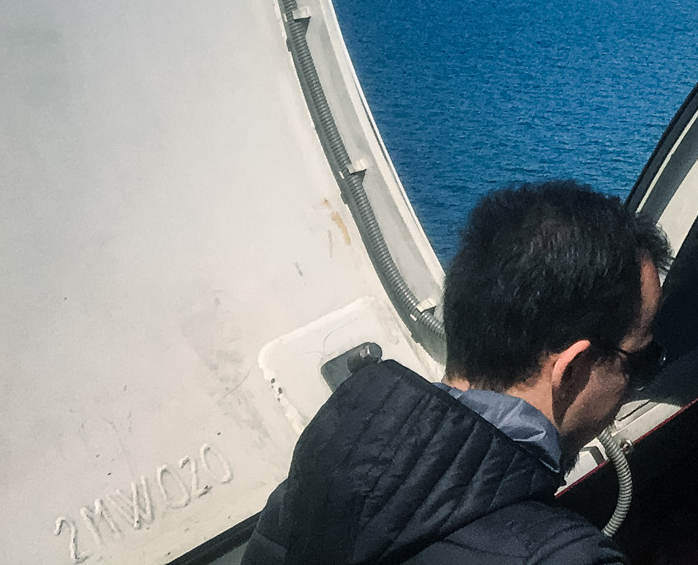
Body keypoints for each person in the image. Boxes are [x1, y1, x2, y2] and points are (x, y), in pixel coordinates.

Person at [244, 181, 668, 565]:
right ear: (572, 368)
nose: (634, 387)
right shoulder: (568, 558)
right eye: (641, 362)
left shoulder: (297, 497)